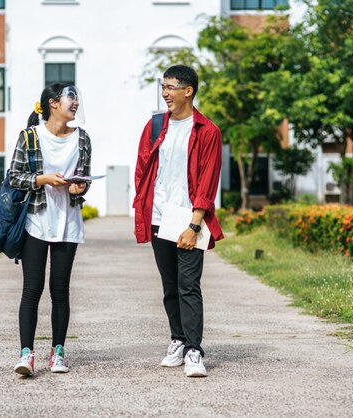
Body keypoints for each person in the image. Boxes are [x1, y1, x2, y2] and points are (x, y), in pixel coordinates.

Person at [133, 65, 224, 378]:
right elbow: (143, 171)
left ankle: (195, 350)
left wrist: (195, 224)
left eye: (171, 87)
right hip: (160, 217)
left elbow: (208, 181)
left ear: (189, 90)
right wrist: (142, 208)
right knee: (170, 286)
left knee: (188, 285)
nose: (165, 93)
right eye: (163, 86)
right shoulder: (155, 125)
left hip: (188, 218)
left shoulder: (207, 131)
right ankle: (178, 339)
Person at [9, 83, 91, 376]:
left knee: (61, 291)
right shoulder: (30, 137)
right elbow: (15, 177)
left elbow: (82, 185)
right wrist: (43, 179)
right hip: (36, 221)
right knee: (32, 289)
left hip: (67, 223)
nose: (76, 103)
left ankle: (57, 353)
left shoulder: (82, 139)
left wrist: (79, 187)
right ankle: (26, 354)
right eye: (72, 98)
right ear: (53, 103)